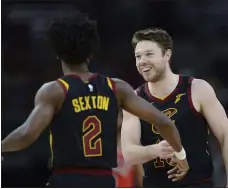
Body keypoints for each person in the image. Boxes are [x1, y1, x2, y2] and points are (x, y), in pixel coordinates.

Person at [1, 15, 189, 187]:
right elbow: (163, 121)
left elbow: (27, 134)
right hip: (103, 180)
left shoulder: (55, 90)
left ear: (57, 53)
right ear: (91, 52)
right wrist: (180, 154)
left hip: (67, 180)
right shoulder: (117, 88)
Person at [121, 28, 228, 187]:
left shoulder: (197, 88)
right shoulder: (135, 99)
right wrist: (156, 150)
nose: (142, 61)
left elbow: (226, 137)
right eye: (138, 56)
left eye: (149, 54)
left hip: (198, 183)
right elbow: (128, 153)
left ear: (166, 55)